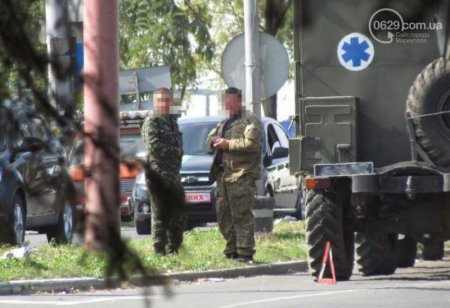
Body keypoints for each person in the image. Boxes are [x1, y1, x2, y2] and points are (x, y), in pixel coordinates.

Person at [207, 87, 263, 262]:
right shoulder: (224, 122)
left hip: (241, 175)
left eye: (231, 102)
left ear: (239, 101)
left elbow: (251, 144)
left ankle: (245, 252)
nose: (228, 105)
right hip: (223, 176)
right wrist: (213, 142)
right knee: (223, 215)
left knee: (241, 215)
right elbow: (209, 139)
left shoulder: (250, 120)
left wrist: (228, 144)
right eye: (225, 102)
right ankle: (231, 249)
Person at [141, 87, 186, 255]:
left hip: (174, 174)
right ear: (155, 102)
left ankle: (173, 247)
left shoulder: (173, 121)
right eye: (161, 100)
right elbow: (153, 147)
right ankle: (159, 250)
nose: (164, 104)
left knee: (179, 212)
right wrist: (175, 151)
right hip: (159, 173)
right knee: (161, 212)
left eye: (167, 100)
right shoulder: (152, 121)